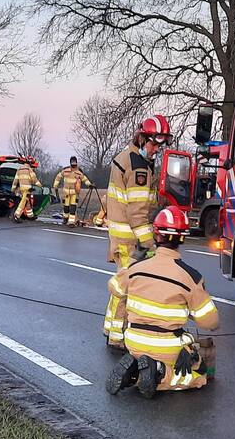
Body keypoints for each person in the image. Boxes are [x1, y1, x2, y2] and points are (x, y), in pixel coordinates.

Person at [104, 206, 219, 398]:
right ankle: (159, 372)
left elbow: (114, 287)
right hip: (168, 347)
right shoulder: (191, 277)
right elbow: (210, 322)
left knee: (145, 357)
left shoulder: (137, 268)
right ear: (183, 238)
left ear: (156, 235)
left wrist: (133, 261)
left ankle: (135, 373)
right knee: (198, 375)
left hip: (133, 341)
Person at [107, 114, 172, 268]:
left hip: (122, 236)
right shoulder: (139, 168)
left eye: (159, 146)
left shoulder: (126, 157)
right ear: (142, 139)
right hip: (130, 239)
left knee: (124, 285)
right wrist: (150, 244)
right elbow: (137, 213)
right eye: (154, 145)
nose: (156, 150)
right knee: (129, 286)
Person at [53, 156, 94, 226]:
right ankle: (65, 219)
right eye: (72, 162)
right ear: (70, 163)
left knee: (73, 208)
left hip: (74, 194)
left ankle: (71, 222)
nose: (74, 164)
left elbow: (85, 179)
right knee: (66, 208)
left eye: (75, 162)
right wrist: (55, 185)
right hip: (66, 193)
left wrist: (90, 185)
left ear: (76, 163)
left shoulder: (79, 173)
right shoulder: (65, 171)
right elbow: (58, 177)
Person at [11, 157, 41, 222]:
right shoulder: (29, 169)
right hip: (28, 188)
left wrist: (13, 189)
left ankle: (30, 216)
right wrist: (40, 186)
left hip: (22, 188)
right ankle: (16, 215)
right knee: (23, 202)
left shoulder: (19, 169)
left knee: (28, 202)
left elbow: (15, 181)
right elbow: (34, 179)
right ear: (30, 163)